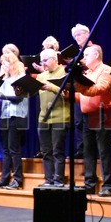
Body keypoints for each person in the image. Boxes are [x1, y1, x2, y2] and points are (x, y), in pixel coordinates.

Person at [74, 45, 111, 196]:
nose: (83, 58)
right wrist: (68, 92)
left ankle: (108, 185)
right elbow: (81, 96)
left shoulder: (106, 70)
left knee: (104, 150)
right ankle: (90, 184)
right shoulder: (87, 73)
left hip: (103, 113)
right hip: (87, 115)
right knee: (88, 151)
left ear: (97, 56)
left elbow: (100, 89)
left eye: (86, 55)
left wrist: (79, 87)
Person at [0, 52, 28, 190]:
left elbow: (19, 98)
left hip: (17, 116)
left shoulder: (21, 78)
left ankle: (17, 179)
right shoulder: (5, 80)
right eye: (2, 63)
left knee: (14, 148)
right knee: (6, 149)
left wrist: (2, 97)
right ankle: (4, 178)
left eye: (5, 63)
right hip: (5, 115)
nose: (3, 66)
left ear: (12, 63)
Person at [35, 48, 69, 187]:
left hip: (60, 117)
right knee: (46, 151)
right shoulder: (40, 76)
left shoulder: (64, 72)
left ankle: (58, 180)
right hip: (43, 118)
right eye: (41, 61)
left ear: (54, 59)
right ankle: (48, 179)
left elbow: (68, 93)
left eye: (45, 60)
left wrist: (52, 88)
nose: (43, 63)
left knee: (57, 150)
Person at [71, 23, 93, 159]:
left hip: (90, 90)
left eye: (79, 34)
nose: (77, 38)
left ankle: (90, 150)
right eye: (75, 36)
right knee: (78, 122)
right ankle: (80, 149)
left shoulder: (94, 49)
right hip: (78, 90)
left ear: (87, 34)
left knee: (89, 123)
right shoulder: (77, 52)